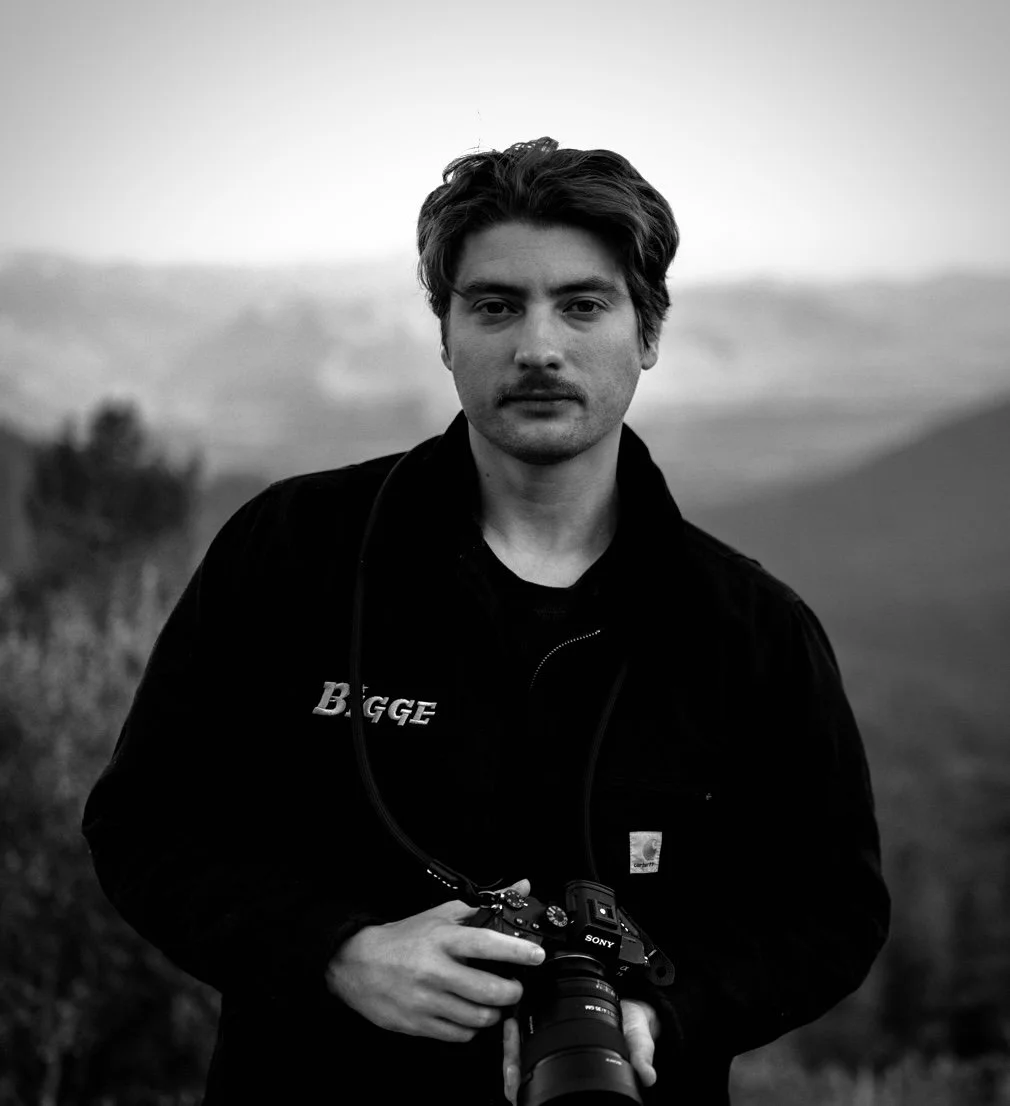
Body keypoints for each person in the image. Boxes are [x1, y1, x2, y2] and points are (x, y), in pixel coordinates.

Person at [82, 137, 890, 1105]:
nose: (537, 346)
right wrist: (335, 951)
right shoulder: (292, 553)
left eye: (582, 304)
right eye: (495, 304)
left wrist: (665, 1014)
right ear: (445, 331)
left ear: (647, 332)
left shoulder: (748, 629)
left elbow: (831, 909)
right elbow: (146, 823)